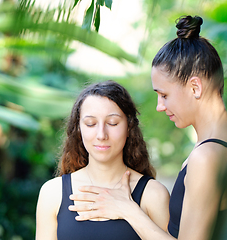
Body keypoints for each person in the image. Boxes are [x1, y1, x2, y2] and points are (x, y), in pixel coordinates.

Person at [68, 15, 227, 240]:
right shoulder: (215, 148)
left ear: (195, 87)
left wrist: (128, 209)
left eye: (164, 95)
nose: (160, 106)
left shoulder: (207, 155)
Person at [35, 80, 170, 240]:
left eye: (112, 123)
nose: (101, 135)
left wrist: (129, 210)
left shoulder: (153, 194)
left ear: (129, 127)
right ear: (79, 129)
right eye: (90, 124)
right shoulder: (52, 193)